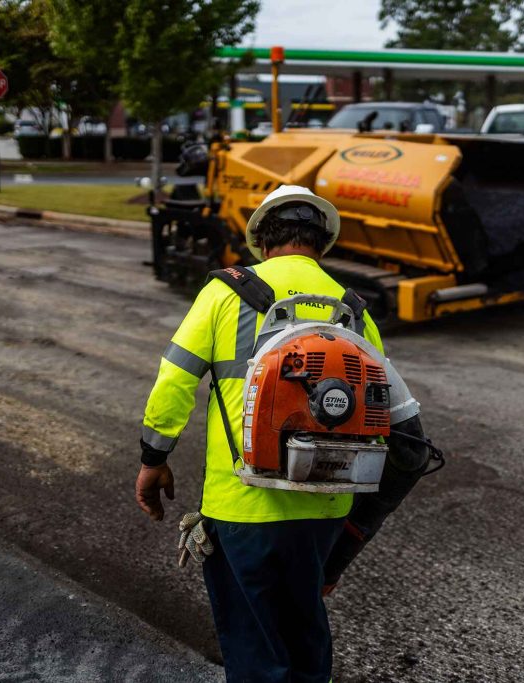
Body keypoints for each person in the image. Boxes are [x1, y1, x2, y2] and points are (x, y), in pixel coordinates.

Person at [135, 185, 385, 682]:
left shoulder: (226, 292)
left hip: (242, 505)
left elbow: (174, 381)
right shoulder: (352, 308)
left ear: (263, 242)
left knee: (254, 644)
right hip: (326, 507)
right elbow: (386, 412)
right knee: (305, 633)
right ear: (322, 243)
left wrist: (153, 458)